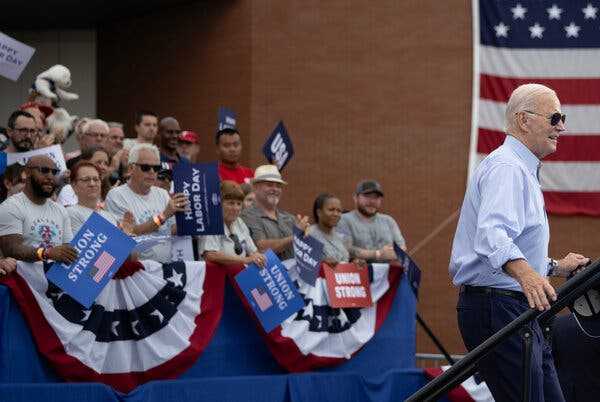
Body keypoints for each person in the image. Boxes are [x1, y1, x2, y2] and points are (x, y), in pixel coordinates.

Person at [449, 83, 589, 402]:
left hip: (513, 307)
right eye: (555, 118)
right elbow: (492, 234)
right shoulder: (507, 168)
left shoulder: (519, 168)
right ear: (524, 120)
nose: (562, 127)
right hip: (498, 306)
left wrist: (553, 267)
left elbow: (509, 244)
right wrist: (528, 275)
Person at [105, 143, 188, 262]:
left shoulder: (162, 193)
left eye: (156, 168)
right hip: (136, 270)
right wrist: (163, 216)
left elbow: (171, 230)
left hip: (164, 268)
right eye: (145, 167)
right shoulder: (116, 196)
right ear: (131, 168)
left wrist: (191, 216)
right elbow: (128, 234)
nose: (152, 172)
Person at [0, 155, 77, 264]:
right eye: (44, 170)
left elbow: (68, 250)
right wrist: (46, 253)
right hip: (23, 280)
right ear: (27, 173)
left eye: (54, 172)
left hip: (51, 279)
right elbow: (12, 249)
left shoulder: (60, 210)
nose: (50, 176)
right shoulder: (11, 206)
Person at [241, 165, 309, 261]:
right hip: (266, 274)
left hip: (293, 274)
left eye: (278, 185)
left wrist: (306, 236)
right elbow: (262, 249)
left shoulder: (289, 217)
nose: (275, 189)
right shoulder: (247, 215)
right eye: (269, 185)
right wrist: (295, 236)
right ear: (255, 187)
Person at [337, 180, 406, 263]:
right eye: (367, 196)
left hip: (387, 273)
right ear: (355, 198)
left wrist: (397, 253)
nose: (372, 201)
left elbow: (401, 247)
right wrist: (377, 254)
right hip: (357, 273)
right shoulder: (344, 220)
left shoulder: (388, 221)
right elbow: (345, 248)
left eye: (376, 197)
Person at [200, 181, 266, 267]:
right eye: (231, 203)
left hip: (238, 275)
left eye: (239, 204)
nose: (235, 208)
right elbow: (210, 255)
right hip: (217, 276)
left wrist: (258, 258)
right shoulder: (211, 222)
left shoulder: (239, 222)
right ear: (219, 204)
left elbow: (253, 252)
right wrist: (245, 260)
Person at [66, 161, 132, 234]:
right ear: (73, 185)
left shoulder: (109, 216)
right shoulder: (71, 213)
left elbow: (118, 244)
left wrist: (125, 234)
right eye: (86, 180)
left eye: (96, 179)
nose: (92, 184)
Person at [309, 193, 364, 267]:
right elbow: (305, 263)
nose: (336, 214)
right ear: (319, 212)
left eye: (339, 211)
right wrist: (322, 262)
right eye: (331, 210)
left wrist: (354, 262)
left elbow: (345, 260)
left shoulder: (342, 238)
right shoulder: (309, 234)